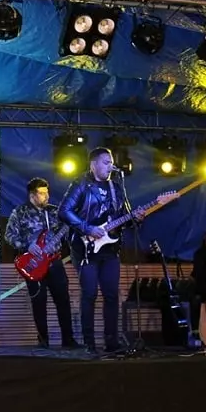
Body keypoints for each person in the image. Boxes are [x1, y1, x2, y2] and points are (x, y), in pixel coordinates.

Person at [58, 147, 143, 353]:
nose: (110, 166)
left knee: (111, 295)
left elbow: (122, 218)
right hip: (85, 247)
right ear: (93, 164)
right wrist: (88, 228)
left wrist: (135, 218)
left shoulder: (116, 187)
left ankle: (111, 342)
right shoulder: (81, 183)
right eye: (106, 162)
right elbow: (64, 211)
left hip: (110, 248)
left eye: (111, 162)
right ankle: (89, 343)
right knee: (89, 294)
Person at [4, 177, 77, 348]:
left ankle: (68, 340)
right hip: (34, 264)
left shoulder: (55, 211)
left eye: (47, 192)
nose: (47, 196)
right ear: (32, 195)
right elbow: (9, 235)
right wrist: (26, 245)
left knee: (63, 300)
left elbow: (67, 232)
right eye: (42, 193)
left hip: (55, 261)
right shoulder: (20, 212)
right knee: (39, 302)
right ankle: (43, 341)